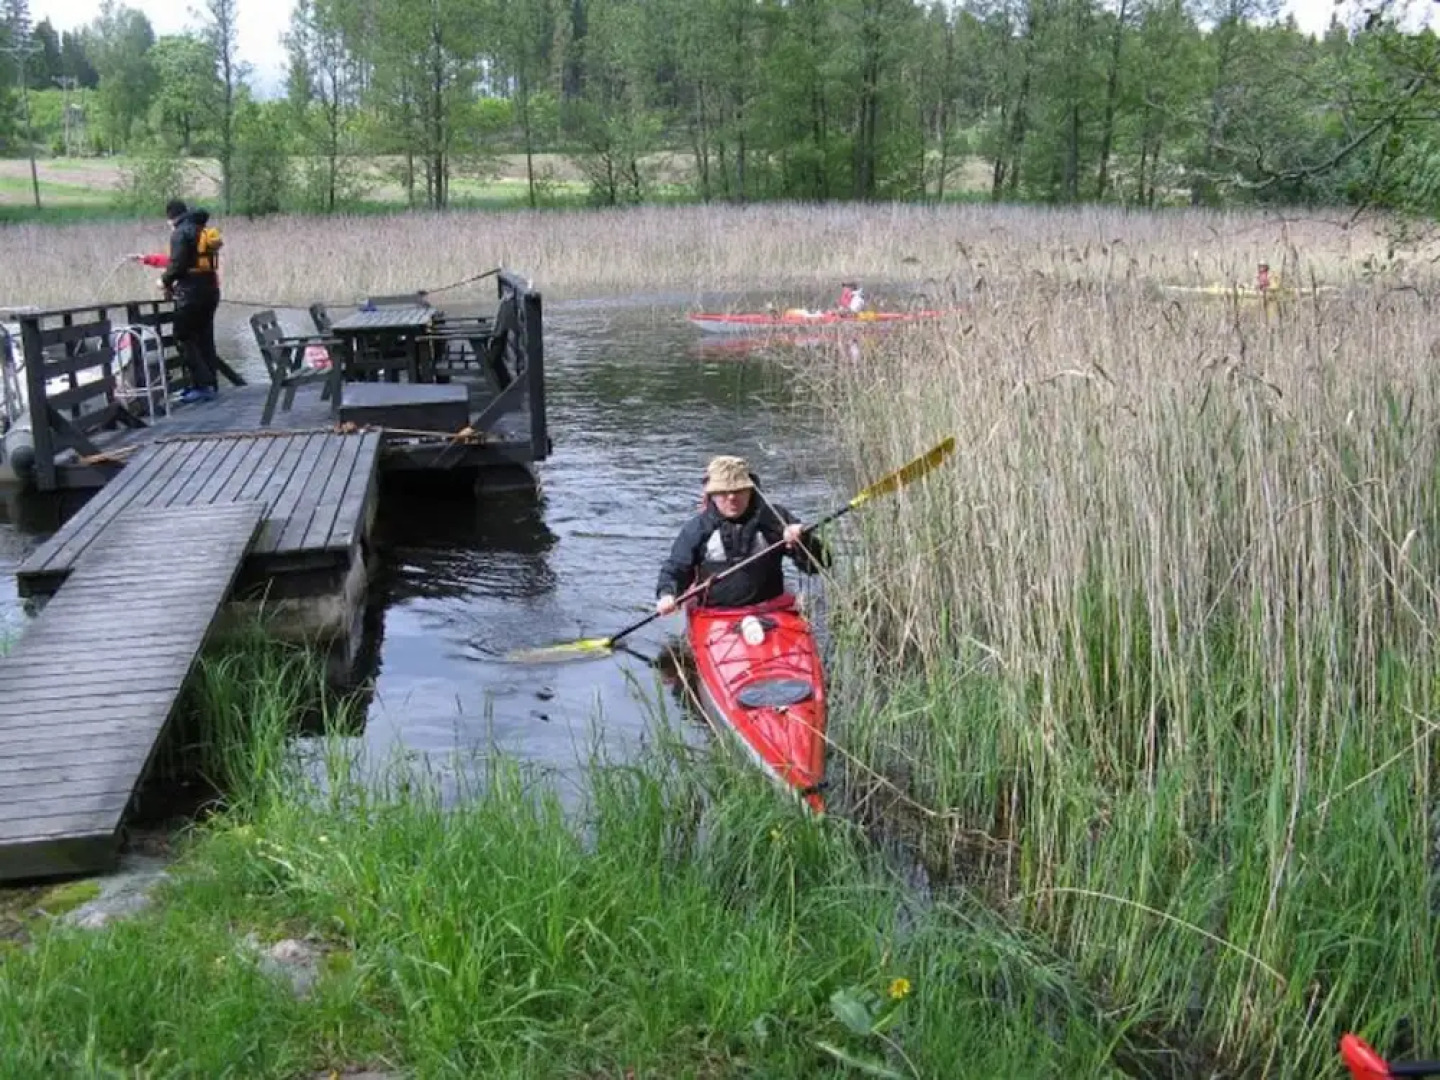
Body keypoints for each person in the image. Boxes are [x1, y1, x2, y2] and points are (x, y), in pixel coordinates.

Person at [656, 455, 830, 614]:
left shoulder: (775, 519)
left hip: (771, 608)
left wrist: (802, 541)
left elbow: (821, 564)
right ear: (712, 494)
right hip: (714, 614)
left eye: (739, 490)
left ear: (751, 490)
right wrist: (667, 594)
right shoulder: (698, 528)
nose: (732, 497)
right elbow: (676, 568)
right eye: (723, 492)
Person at [130, 199, 223, 404]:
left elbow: (178, 265)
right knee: (204, 338)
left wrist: (164, 281)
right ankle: (210, 384)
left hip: (191, 294)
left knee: (183, 336)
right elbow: (182, 261)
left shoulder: (180, 233)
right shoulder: (200, 230)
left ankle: (202, 386)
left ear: (170, 217)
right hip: (210, 291)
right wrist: (147, 259)